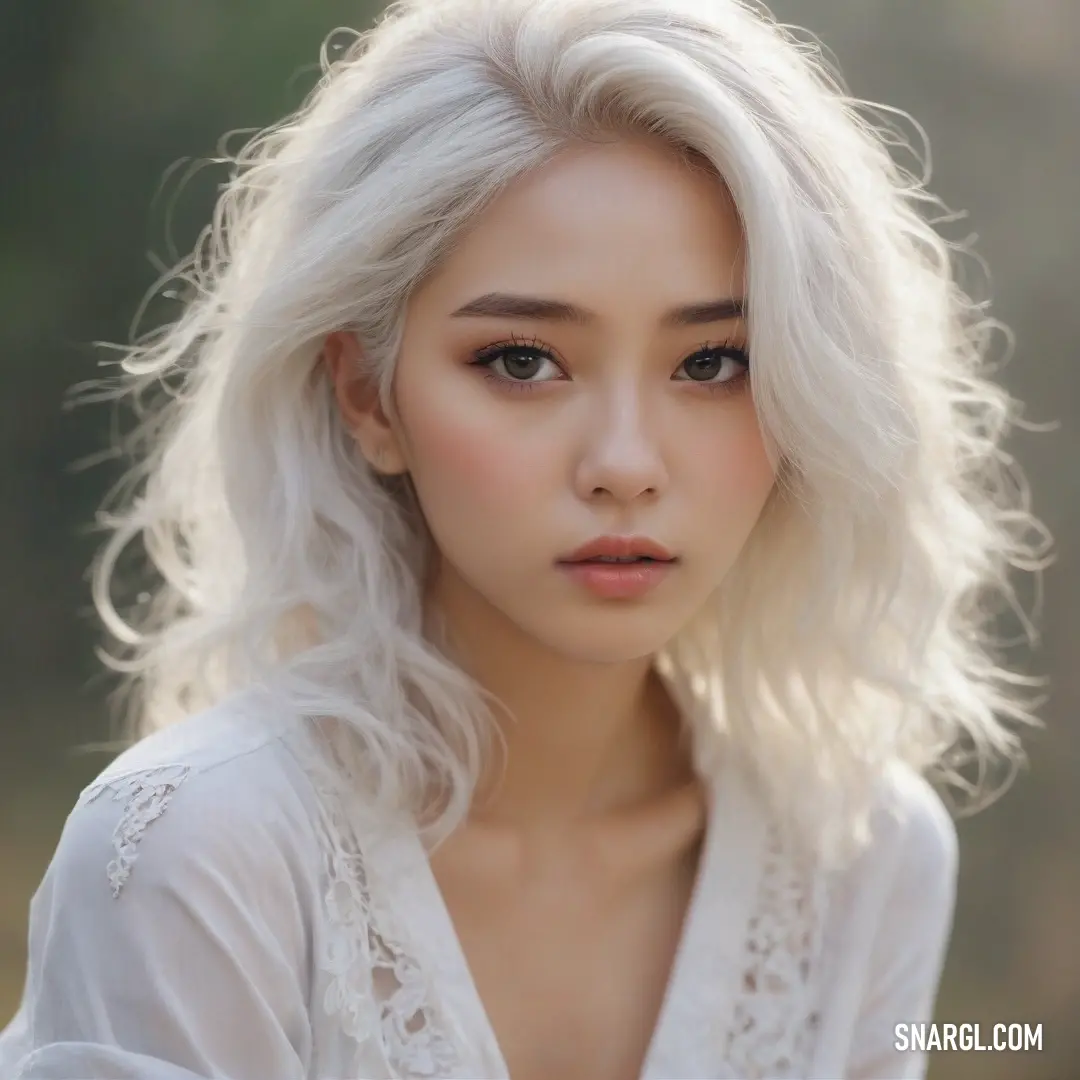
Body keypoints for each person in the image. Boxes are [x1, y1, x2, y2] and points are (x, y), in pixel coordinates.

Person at [0, 0, 1051, 1076]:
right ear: (366, 397)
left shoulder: (863, 855)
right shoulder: (199, 860)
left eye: (711, 363)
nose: (626, 462)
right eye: (520, 360)